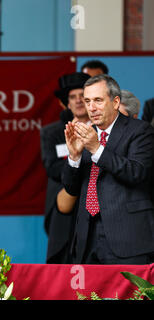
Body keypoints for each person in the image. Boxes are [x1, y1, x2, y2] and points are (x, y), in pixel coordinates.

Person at [63, 74, 154, 264]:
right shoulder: (86, 134)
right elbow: (71, 189)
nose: (91, 107)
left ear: (115, 102)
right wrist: (74, 157)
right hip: (86, 239)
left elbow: (137, 173)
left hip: (128, 238)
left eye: (98, 100)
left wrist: (97, 149)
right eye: (87, 101)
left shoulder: (140, 131)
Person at [41, 71, 90, 264]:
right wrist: (76, 161)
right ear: (66, 103)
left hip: (97, 200)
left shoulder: (103, 130)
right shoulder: (52, 132)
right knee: (62, 261)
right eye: (73, 97)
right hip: (63, 204)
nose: (78, 101)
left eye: (82, 97)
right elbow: (51, 168)